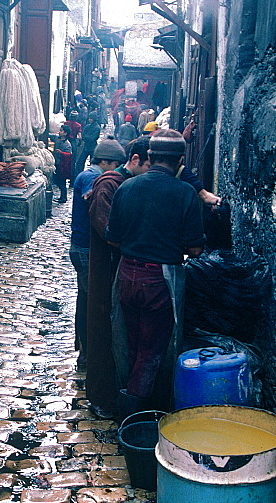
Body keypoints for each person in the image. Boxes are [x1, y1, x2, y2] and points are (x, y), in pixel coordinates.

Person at [105, 130, 205, 417]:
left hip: (126, 274)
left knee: (129, 343)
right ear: (180, 161)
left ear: (150, 156)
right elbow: (196, 249)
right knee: (152, 350)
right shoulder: (184, 193)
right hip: (160, 279)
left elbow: (113, 238)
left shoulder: (127, 187)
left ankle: (127, 403)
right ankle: (135, 417)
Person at [86, 137, 150, 418]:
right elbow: (105, 227)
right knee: (103, 331)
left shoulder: (134, 185)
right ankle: (102, 398)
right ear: (134, 160)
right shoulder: (110, 183)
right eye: (148, 165)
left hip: (125, 269)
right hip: (107, 270)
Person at [70, 139, 126, 366]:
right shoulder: (91, 177)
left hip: (82, 246)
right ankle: (87, 351)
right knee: (90, 301)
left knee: (85, 298)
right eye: (114, 165)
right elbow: (92, 196)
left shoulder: (91, 175)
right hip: (85, 248)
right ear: (104, 161)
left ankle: (85, 348)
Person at [53, 125, 73, 203]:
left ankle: (63, 197)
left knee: (62, 182)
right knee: (58, 181)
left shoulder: (67, 144)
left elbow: (69, 155)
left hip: (62, 165)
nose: (59, 132)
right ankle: (62, 197)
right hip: (57, 163)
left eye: (61, 131)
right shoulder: (57, 139)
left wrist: (61, 153)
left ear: (65, 133)